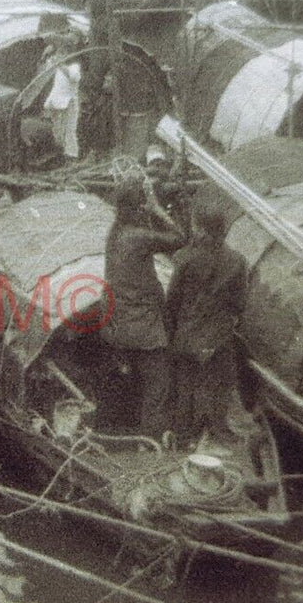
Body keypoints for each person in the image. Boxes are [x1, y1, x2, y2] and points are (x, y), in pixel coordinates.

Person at [100, 175, 186, 437]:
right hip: (142, 325)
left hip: (118, 322)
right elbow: (180, 237)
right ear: (139, 207)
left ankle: (121, 432)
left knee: (130, 381)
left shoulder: (117, 235)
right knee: (158, 385)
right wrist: (156, 207)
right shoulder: (137, 237)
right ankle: (149, 441)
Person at [164, 207, 249, 444]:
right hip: (218, 337)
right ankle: (218, 430)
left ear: (201, 229)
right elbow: (239, 304)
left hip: (187, 334)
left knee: (186, 385)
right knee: (219, 384)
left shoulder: (185, 258)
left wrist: (173, 330)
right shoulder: (238, 261)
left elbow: (172, 300)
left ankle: (183, 434)